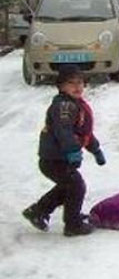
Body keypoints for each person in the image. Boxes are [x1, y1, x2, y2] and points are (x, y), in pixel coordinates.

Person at [22, 65, 107, 236]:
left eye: (80, 82)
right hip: (53, 159)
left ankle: (38, 211)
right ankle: (72, 224)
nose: (77, 87)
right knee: (76, 185)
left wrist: (95, 149)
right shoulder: (64, 107)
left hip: (59, 158)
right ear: (60, 86)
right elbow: (64, 132)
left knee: (68, 186)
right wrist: (73, 152)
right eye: (71, 83)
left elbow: (84, 133)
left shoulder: (75, 104)